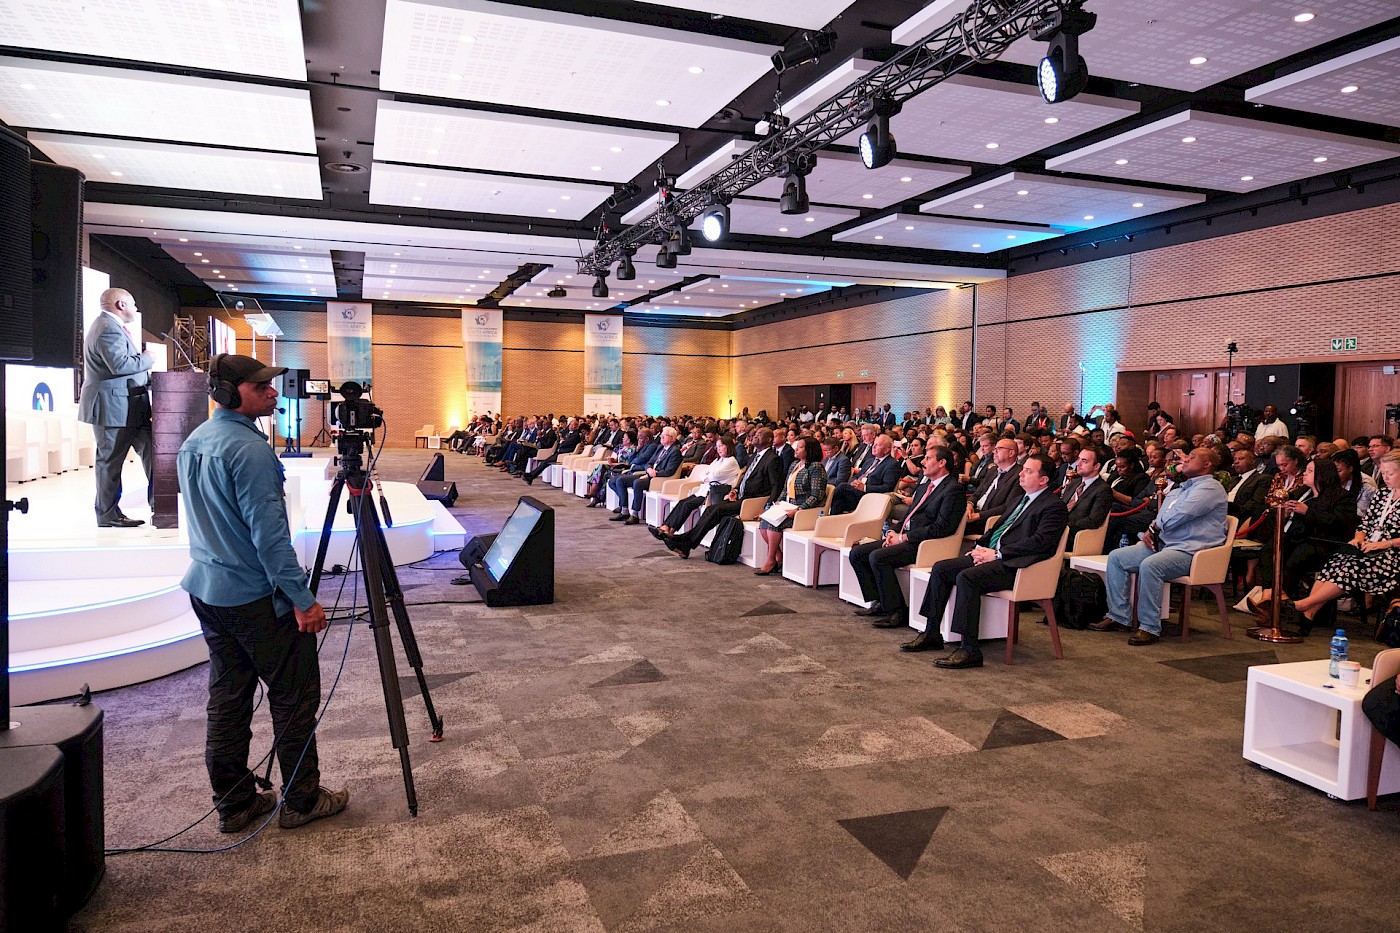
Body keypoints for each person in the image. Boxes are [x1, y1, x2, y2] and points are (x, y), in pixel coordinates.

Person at [178, 354, 347, 833]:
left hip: (209, 593)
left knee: (228, 699)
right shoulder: (249, 451)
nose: (274, 393)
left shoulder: (197, 441)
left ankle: (233, 804)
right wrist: (303, 599)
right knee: (293, 698)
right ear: (231, 393)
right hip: (255, 598)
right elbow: (270, 540)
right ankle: (302, 799)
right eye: (261, 387)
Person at [903, 453, 1069, 669]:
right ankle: (932, 632)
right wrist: (978, 548)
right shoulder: (1021, 499)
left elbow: (1040, 543)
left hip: (1019, 566)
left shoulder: (1053, 507)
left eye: (1028, 471)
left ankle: (970, 649)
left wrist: (998, 554)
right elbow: (996, 529)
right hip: (995, 557)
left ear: (1043, 479)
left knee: (967, 578)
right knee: (942, 568)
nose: (1021, 474)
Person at [1091, 447, 1228, 645]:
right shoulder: (1183, 487)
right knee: (1117, 558)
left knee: (1151, 565)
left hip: (1192, 551)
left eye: (1192, 457)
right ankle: (1119, 615)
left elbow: (1182, 515)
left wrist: (1155, 528)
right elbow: (1162, 514)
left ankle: (1149, 627)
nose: (1185, 460)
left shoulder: (1210, 488)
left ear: (1207, 464)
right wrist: (1150, 530)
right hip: (1165, 544)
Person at [1284, 452, 1400, 636]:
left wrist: (1384, 544)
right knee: (1338, 558)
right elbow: (1365, 523)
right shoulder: (1383, 494)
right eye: (1383, 472)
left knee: (1351, 566)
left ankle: (1306, 606)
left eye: (1390, 473)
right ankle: (1308, 614)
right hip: (1369, 547)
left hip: (1391, 555)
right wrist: (1359, 538)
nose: (1385, 477)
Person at [850, 448, 965, 628]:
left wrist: (904, 537)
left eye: (928, 458)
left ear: (942, 463)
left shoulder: (953, 490)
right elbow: (908, 516)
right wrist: (893, 532)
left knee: (878, 557)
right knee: (857, 553)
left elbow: (942, 527)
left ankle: (897, 610)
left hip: (924, 544)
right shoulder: (925, 486)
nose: (922, 462)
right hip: (906, 537)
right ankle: (880, 600)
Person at [78, 287, 154, 527]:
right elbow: (119, 365)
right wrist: (148, 358)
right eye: (133, 304)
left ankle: (161, 508)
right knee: (109, 463)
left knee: (155, 456)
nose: (135, 308)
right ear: (120, 304)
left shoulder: (111, 328)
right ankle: (107, 515)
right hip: (113, 410)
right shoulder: (107, 330)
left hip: (130, 408)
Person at [1247, 457, 1357, 620]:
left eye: (1310, 471)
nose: (1305, 474)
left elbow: (1340, 523)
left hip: (1322, 542)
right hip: (1296, 537)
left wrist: (1307, 512)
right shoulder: (1302, 492)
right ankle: (1271, 596)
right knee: (1268, 550)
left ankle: (1273, 604)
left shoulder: (1342, 496)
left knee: (1295, 557)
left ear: (1322, 474)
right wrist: (1283, 513)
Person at [663, 428, 786, 559]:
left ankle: (686, 541)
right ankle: (686, 542)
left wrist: (767, 508)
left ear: (768, 440)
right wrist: (735, 490)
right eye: (755, 434)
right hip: (741, 497)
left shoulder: (773, 459)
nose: (755, 436)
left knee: (716, 510)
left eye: (759, 435)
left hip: (752, 502)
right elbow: (745, 478)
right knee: (711, 509)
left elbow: (775, 486)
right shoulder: (754, 456)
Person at [753, 437, 827, 576]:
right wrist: (776, 504)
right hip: (787, 506)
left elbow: (817, 495)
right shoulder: (794, 465)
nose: (796, 449)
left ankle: (770, 561)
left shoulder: (816, 467)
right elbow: (785, 489)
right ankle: (778, 557)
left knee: (773, 525)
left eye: (800, 447)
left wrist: (799, 509)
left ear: (809, 450)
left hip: (804, 511)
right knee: (763, 523)